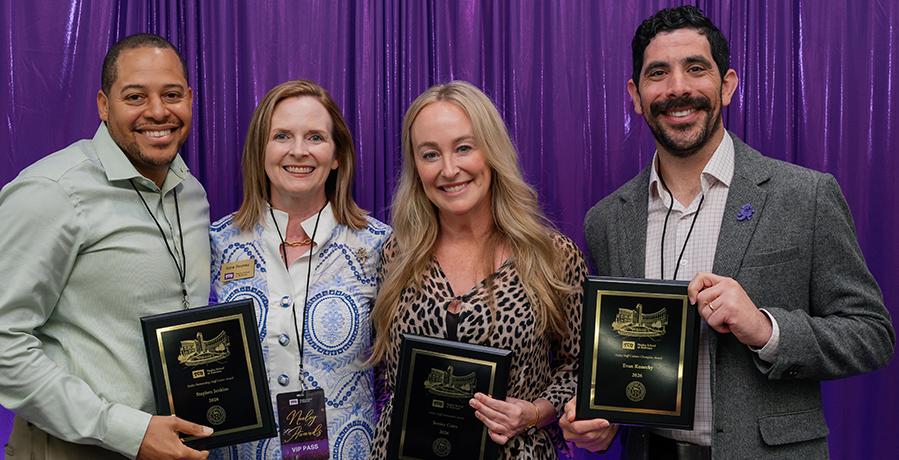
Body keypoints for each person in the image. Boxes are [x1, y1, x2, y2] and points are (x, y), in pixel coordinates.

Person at [559, 6, 895, 459]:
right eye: (658, 73)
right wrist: (604, 422)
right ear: (636, 96)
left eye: (696, 68)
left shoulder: (804, 195)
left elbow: (872, 334)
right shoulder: (606, 220)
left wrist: (766, 329)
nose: (678, 88)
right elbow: (626, 365)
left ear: (728, 84)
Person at [0, 34, 214, 460]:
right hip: (71, 448)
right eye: (135, 96)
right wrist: (127, 431)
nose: (158, 111)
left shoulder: (190, 192)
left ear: (189, 99)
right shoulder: (52, 191)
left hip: (173, 447)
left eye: (171, 94)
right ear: (103, 105)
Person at [369, 81, 587, 459]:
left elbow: (580, 368)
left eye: (464, 148)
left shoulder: (550, 257)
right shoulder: (396, 254)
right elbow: (385, 374)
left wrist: (535, 412)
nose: (449, 169)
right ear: (416, 166)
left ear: (492, 151)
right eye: (430, 154)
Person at [208, 79, 391, 459]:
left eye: (315, 137)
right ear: (260, 150)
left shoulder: (379, 246)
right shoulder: (216, 244)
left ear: (337, 154)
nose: (298, 151)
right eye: (282, 136)